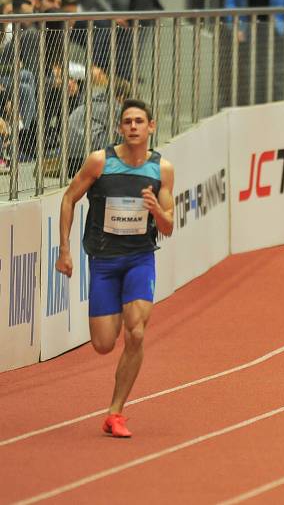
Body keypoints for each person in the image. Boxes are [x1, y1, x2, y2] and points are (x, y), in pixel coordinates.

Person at [55, 99, 175, 437]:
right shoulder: (100, 162)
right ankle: (122, 308)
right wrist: (65, 249)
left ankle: (115, 412)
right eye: (127, 122)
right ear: (120, 128)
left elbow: (168, 226)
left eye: (139, 121)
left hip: (139, 258)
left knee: (136, 333)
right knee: (104, 344)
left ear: (151, 127)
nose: (133, 127)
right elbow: (68, 198)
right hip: (105, 261)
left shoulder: (161, 169)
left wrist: (155, 210)